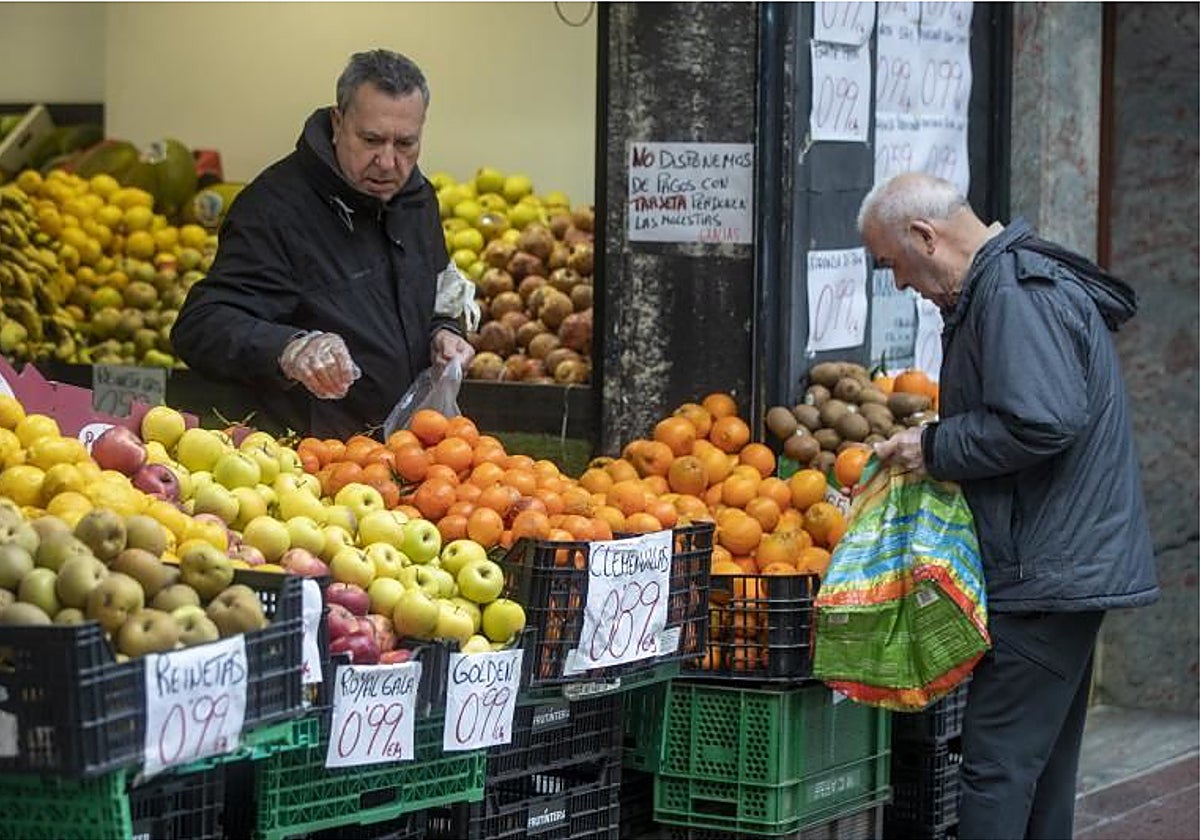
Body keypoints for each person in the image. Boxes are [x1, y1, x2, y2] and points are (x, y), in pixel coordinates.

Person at [858, 173, 1158, 840]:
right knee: (1037, 767)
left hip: (1047, 570)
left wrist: (934, 448)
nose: (900, 284)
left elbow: (1041, 421)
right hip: (1060, 563)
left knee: (996, 768)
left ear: (924, 237)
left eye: (892, 265)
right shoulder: (1006, 286)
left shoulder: (1016, 292)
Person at [172, 49, 474, 439]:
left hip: (402, 455)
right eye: (371, 140)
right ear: (337, 122)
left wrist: (444, 331)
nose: (387, 162)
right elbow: (201, 325)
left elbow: (435, 291)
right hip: (307, 463)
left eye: (405, 144)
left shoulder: (416, 200)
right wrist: (290, 349)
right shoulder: (274, 209)